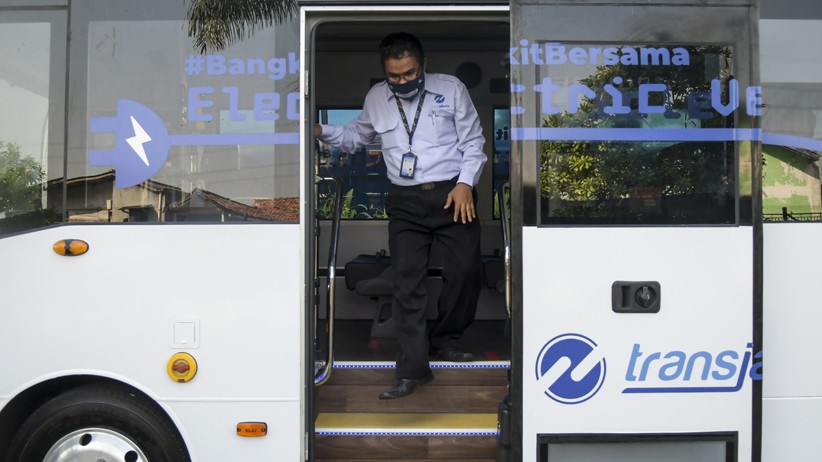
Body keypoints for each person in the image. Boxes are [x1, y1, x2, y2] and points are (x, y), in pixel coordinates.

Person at [315, 32, 486, 399]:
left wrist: (466, 184)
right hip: (405, 201)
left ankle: (445, 340)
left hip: (453, 193)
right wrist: (317, 130)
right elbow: (353, 138)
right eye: (395, 76)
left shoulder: (451, 89)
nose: (402, 81)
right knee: (407, 284)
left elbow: (473, 143)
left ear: (423, 66)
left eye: (409, 74)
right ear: (385, 72)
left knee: (466, 272)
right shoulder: (377, 97)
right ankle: (412, 369)